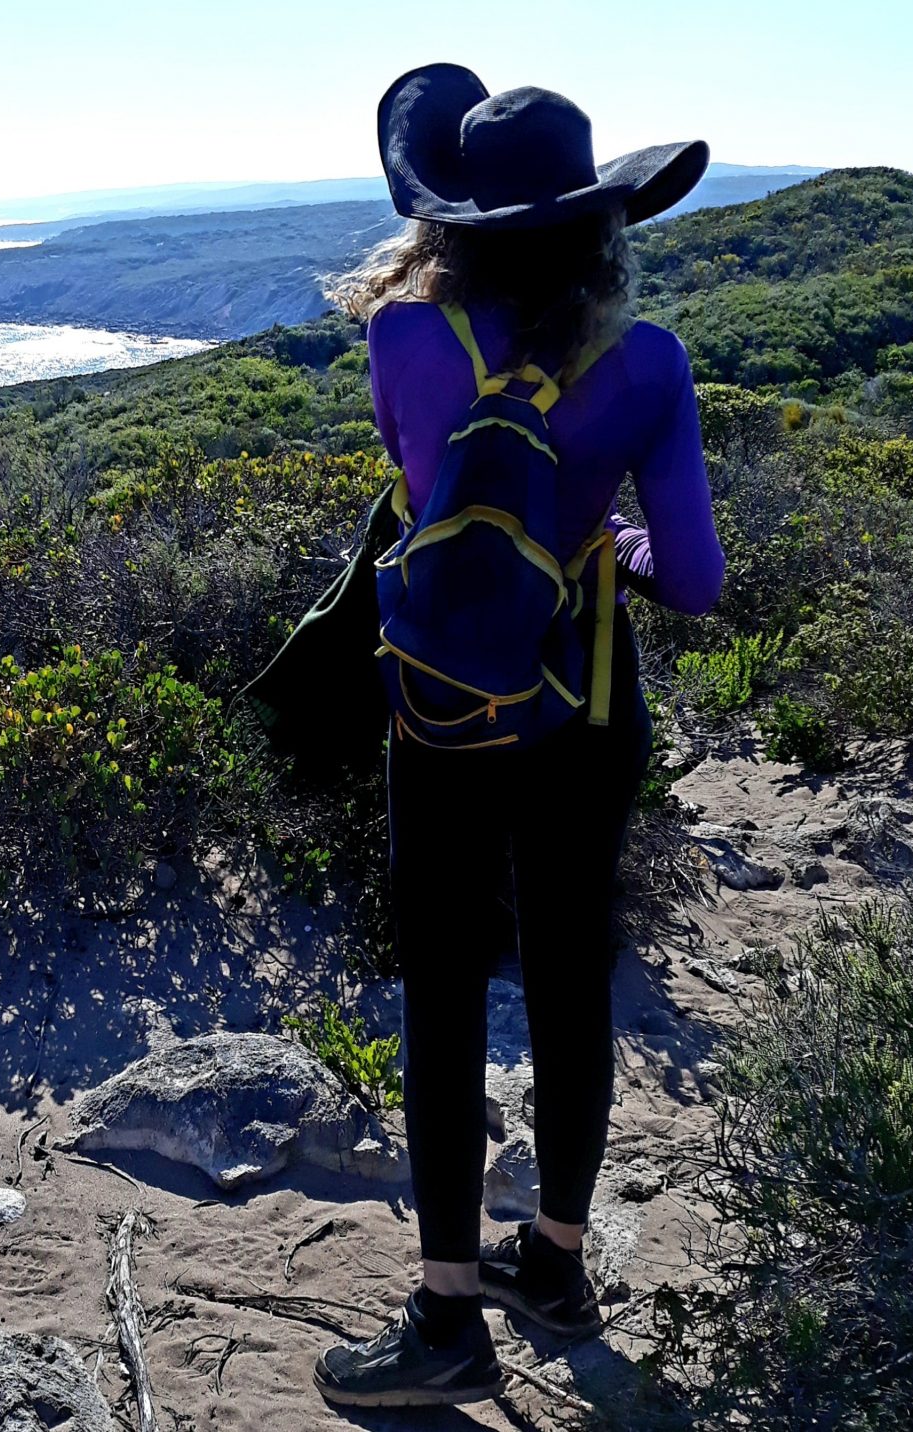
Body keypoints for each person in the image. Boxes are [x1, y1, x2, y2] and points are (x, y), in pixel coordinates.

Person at [310, 65, 726, 1410]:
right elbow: (702, 580)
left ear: (451, 229)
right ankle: (553, 1263)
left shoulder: (404, 343)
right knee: (564, 974)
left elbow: (423, 486)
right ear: (602, 227)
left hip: (443, 710)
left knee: (440, 989)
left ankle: (445, 1320)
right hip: (587, 706)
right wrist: (619, 542)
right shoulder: (647, 363)